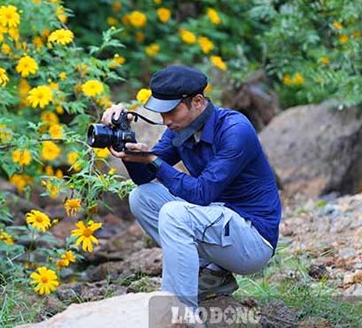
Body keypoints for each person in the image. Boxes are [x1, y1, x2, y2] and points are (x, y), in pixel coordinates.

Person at [101, 65, 281, 308]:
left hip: (252, 239)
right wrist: (127, 144)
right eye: (162, 113)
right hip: (219, 226)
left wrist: (152, 160)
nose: (166, 120)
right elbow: (145, 177)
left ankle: (181, 314)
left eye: (172, 111)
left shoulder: (235, 130)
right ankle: (210, 275)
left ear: (197, 101)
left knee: (174, 214)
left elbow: (201, 193)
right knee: (141, 197)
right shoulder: (180, 128)